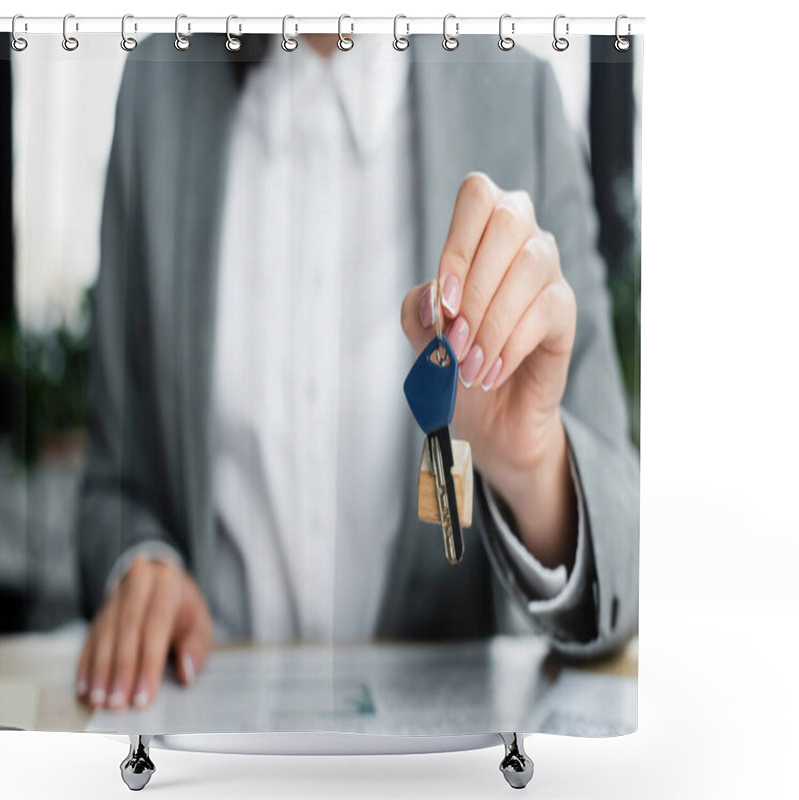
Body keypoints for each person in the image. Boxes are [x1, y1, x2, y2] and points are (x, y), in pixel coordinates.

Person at [74, 32, 639, 713]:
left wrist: (533, 463)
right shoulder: (157, 87)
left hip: (439, 762)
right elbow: (113, 482)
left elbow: (628, 570)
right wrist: (142, 561)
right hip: (199, 725)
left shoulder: (519, 96)